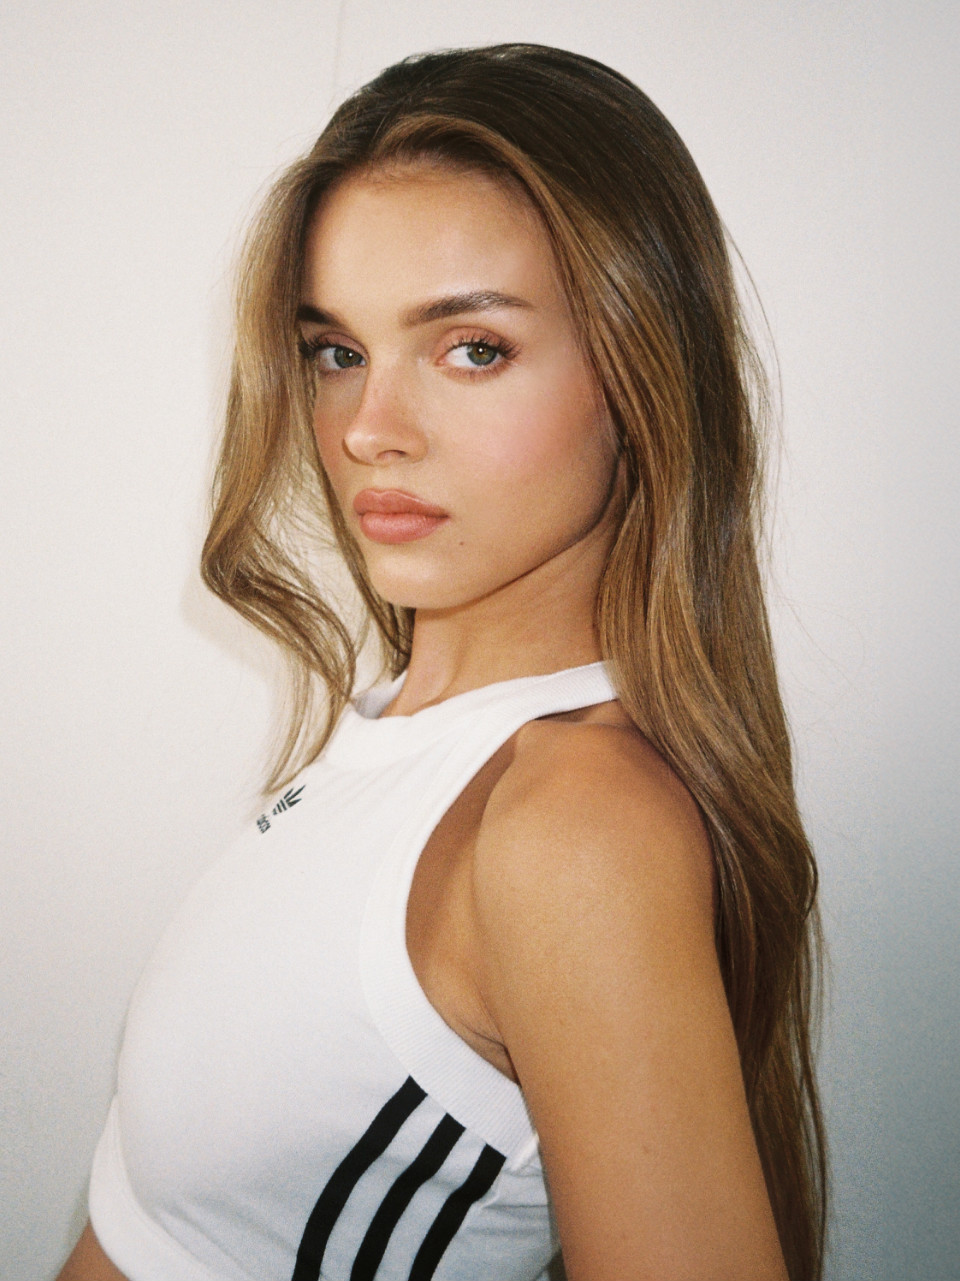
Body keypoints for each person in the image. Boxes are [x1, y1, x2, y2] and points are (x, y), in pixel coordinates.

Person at [58, 42, 825, 1281]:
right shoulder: (401, 736)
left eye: (473, 349)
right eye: (337, 351)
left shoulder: (576, 824)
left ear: (643, 372)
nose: (370, 429)